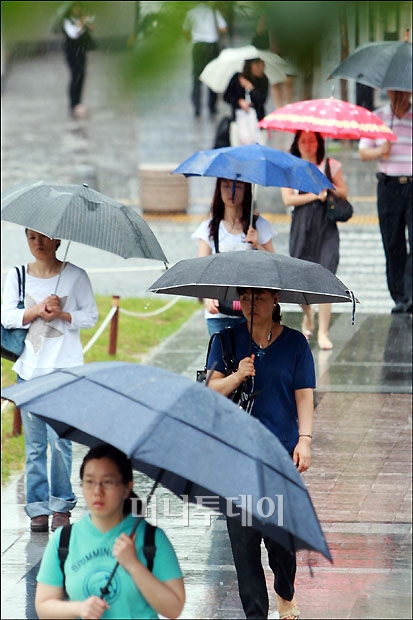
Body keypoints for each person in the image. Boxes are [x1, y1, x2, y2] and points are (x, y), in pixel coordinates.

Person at [206, 287, 315, 620]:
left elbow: (303, 395)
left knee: (280, 540)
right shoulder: (224, 341)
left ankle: (285, 590)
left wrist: (305, 439)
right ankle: (256, 613)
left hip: (279, 455)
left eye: (261, 297)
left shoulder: (296, 344)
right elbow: (210, 391)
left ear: (276, 300)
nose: (253, 304)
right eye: (247, 297)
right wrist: (238, 374)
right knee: (244, 545)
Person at [1, 229, 98, 533]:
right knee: (34, 446)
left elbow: (91, 316)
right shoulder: (16, 275)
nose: (38, 244)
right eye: (31, 237)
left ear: (58, 240)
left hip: (65, 372)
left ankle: (61, 506)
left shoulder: (76, 276)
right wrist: (36, 310)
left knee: (61, 443)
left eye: (44, 237)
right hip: (29, 371)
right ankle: (37, 508)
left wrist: (63, 314)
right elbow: (7, 317)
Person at [35, 444, 185, 619]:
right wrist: (79, 608)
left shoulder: (151, 539)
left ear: (126, 487)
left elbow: (174, 608)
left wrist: (133, 565)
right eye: (89, 482)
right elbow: (44, 606)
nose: (97, 491)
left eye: (108, 482)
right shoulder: (64, 540)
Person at [280, 130, 349, 350]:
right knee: (301, 277)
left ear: (319, 143)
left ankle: (323, 332)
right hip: (302, 226)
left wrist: (329, 187)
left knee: (326, 276)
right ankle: (308, 314)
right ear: (297, 144)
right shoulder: (290, 168)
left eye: (312, 140)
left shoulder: (331, 165)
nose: (308, 145)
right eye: (303, 141)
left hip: (326, 227)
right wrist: (313, 194)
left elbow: (344, 193)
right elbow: (287, 199)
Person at [191, 178, 276, 336]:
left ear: (247, 190)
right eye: (226, 186)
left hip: (252, 311)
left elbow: (276, 266)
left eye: (239, 187)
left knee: (251, 360)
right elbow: (201, 269)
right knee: (220, 358)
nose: (232, 192)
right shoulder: (209, 228)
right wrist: (208, 297)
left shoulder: (259, 225)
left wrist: (258, 244)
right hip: (219, 313)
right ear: (219, 189)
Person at [358, 89, 412, 314]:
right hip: (388, 186)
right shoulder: (378, 117)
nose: (399, 95)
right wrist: (381, 149)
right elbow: (363, 153)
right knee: (392, 242)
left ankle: (411, 295)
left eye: (405, 91)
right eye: (395, 91)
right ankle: (400, 296)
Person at [183, 1, 227, 118]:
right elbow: (224, 28)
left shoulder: (191, 13)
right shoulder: (213, 11)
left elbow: (185, 30)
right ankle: (212, 106)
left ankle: (197, 106)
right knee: (212, 76)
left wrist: (191, 36)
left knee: (197, 77)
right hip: (211, 46)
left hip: (198, 46)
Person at [60, 1, 95, 118]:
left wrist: (86, 24)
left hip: (81, 50)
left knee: (82, 74)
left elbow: (88, 29)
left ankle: (78, 102)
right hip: (71, 51)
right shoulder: (67, 21)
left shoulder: (79, 18)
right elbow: (73, 34)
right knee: (76, 74)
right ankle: (73, 103)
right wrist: (81, 25)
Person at [223, 58, 269, 145]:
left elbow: (261, 100)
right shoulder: (237, 78)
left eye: (262, 64)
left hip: (257, 123)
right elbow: (227, 96)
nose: (260, 68)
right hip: (238, 121)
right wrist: (239, 102)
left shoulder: (264, 80)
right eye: (256, 64)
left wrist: (251, 88)